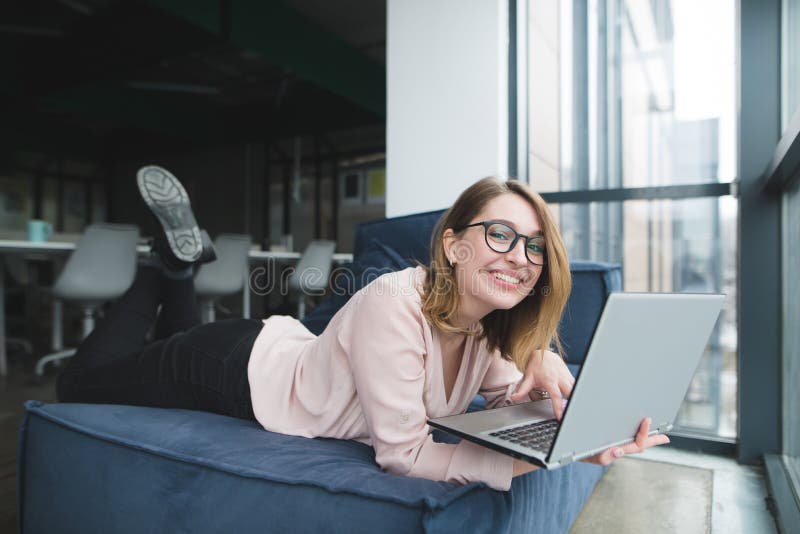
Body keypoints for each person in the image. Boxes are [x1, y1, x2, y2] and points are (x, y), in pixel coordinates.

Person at [57, 168, 668, 492]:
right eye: (500, 235)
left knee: (175, 321)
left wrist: (572, 416)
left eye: (534, 246)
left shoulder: (488, 327)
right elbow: (402, 456)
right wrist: (527, 468)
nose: (519, 256)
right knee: (79, 383)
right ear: (452, 246)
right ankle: (157, 268)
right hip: (230, 368)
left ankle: (177, 267)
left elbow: (513, 404)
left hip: (270, 346)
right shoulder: (396, 301)